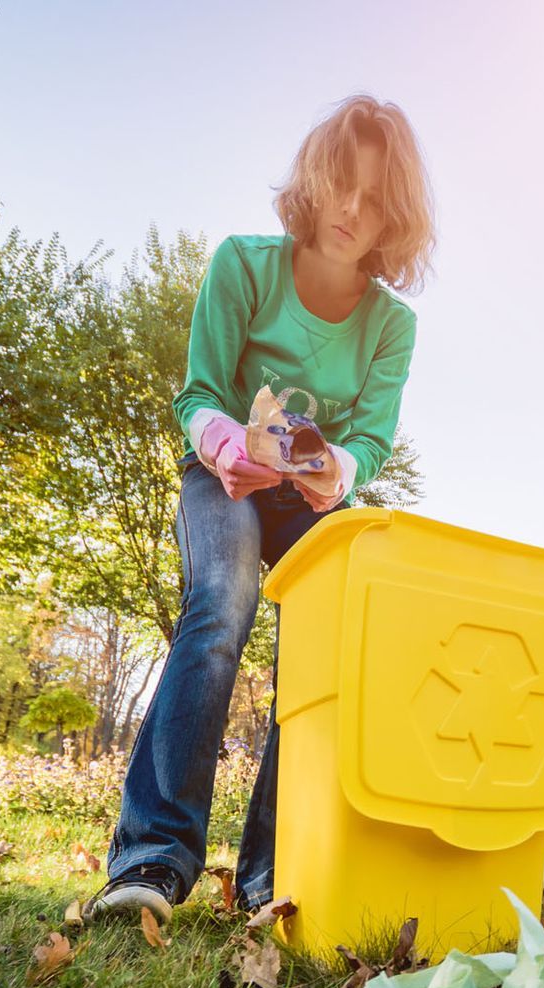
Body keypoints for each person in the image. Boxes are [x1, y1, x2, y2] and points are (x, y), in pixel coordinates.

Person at [86, 96, 435, 924]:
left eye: (376, 197)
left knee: (329, 642)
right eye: (343, 184)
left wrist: (336, 469)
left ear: (398, 216)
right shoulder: (244, 265)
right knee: (223, 599)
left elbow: (371, 441)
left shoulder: (392, 325)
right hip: (223, 480)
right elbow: (199, 391)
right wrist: (225, 445)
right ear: (316, 179)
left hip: (309, 501)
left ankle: (274, 870)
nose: (353, 210)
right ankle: (153, 859)